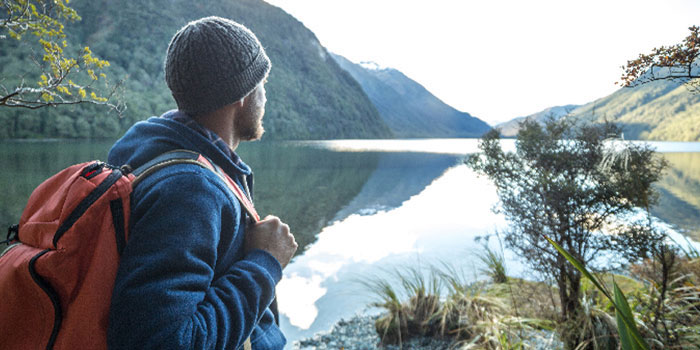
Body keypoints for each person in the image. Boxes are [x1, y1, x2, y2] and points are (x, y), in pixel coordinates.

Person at [106, 16, 297, 349]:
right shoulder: (190, 189)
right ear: (242, 94)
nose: (265, 97)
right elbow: (163, 342)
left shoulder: (154, 154)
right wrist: (265, 261)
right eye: (262, 84)